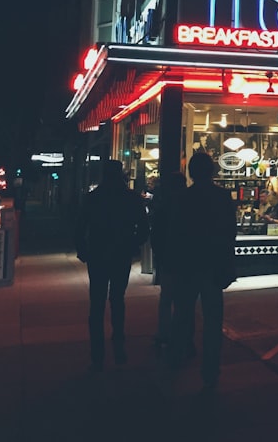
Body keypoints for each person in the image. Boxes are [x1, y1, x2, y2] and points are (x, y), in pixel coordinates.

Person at [162, 152, 237, 391]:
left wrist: (172, 263)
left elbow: (173, 233)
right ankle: (210, 370)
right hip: (213, 263)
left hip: (188, 264)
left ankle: (176, 356)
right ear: (212, 171)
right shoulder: (222, 197)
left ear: (192, 173)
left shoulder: (182, 198)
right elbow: (229, 233)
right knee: (213, 320)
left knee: (183, 314)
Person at [74, 160, 150, 371]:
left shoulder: (94, 198)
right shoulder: (131, 198)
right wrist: (132, 244)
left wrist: (83, 250)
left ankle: (97, 354)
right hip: (121, 254)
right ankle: (119, 346)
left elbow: (80, 226)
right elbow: (144, 229)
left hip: (98, 254)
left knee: (96, 303)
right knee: (117, 299)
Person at [148, 171, 186, 351]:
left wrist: (159, 255)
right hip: (186, 259)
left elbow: (155, 234)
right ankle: (182, 335)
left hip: (168, 258)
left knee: (167, 298)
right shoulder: (190, 205)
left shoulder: (164, 206)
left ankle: (164, 333)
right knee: (184, 299)